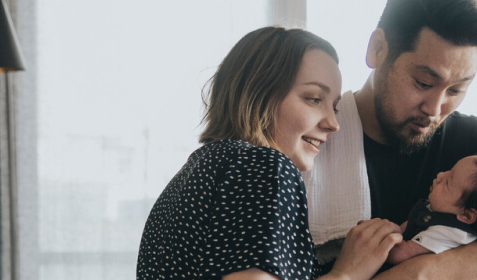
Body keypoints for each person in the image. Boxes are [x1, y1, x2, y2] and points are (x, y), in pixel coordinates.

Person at [301, 0, 477, 278]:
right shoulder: (308, 142)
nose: (435, 109)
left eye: (456, 90)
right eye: (423, 83)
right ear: (377, 49)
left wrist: (419, 273)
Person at [137, 26, 404, 280]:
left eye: (334, 107)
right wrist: (347, 272)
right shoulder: (264, 167)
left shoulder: (192, 176)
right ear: (259, 92)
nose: (333, 123)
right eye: (313, 99)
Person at [383, 150, 477, 265]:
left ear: (467, 215)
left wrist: (377, 239)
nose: (441, 175)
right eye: (449, 171)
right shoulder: (447, 210)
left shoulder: (450, 233)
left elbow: (400, 253)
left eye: (448, 183)